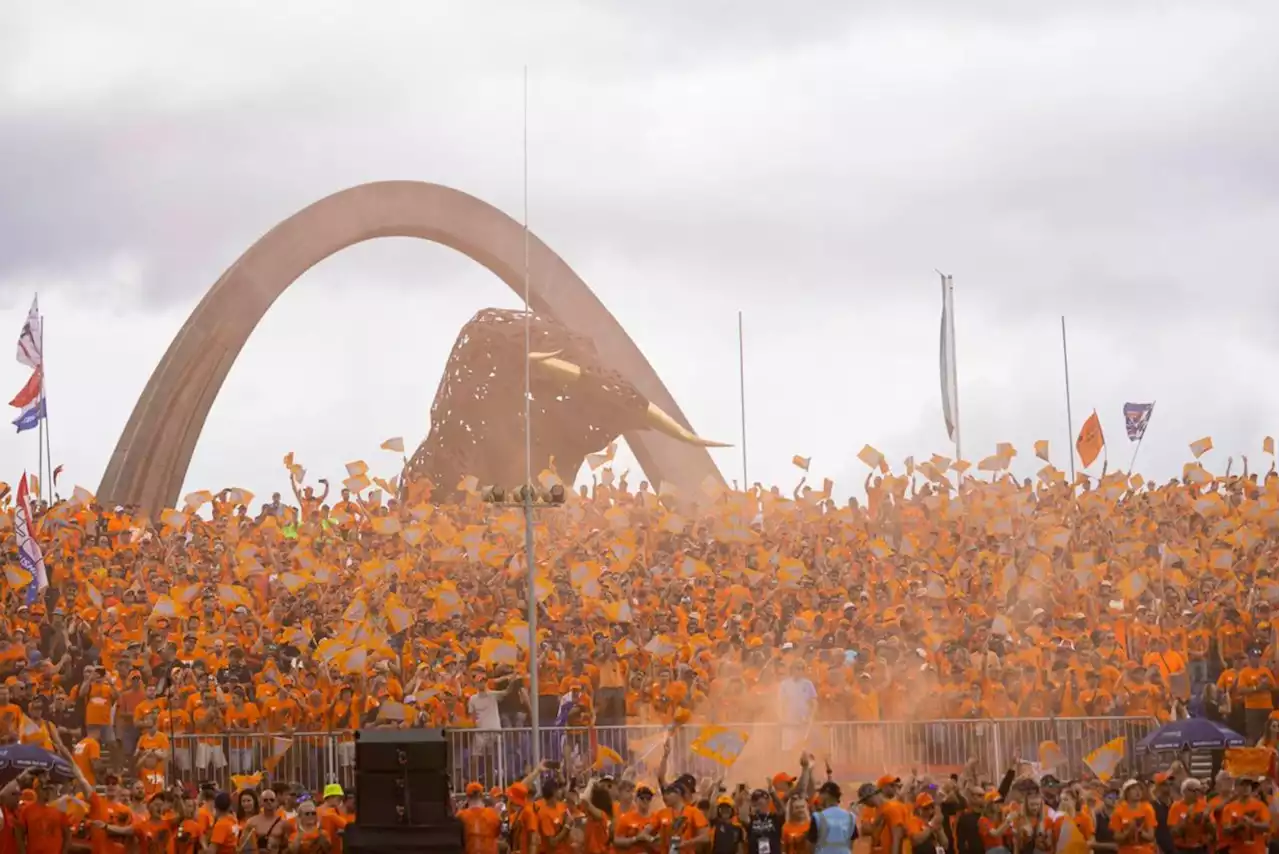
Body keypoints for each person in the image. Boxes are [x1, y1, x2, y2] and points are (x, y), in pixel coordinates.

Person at [1111, 780, 1158, 854]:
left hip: (1145, 851)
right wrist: (1128, 832)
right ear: (1126, 793)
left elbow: (1151, 836)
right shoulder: (1118, 811)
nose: (1138, 791)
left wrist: (1139, 831)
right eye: (1134, 789)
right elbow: (1116, 837)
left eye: (1139, 789)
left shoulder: (1148, 808)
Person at [1168, 779, 1211, 854]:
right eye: (1195, 790)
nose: (1197, 794)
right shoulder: (1176, 807)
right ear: (1185, 791)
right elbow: (1173, 832)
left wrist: (1206, 819)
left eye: (1199, 790)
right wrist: (1186, 819)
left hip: (1200, 848)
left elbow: (1211, 830)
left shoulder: (1204, 805)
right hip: (1182, 849)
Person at [459, 782, 503, 854]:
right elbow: (497, 834)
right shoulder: (493, 814)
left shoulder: (460, 815)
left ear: (467, 797)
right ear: (481, 796)